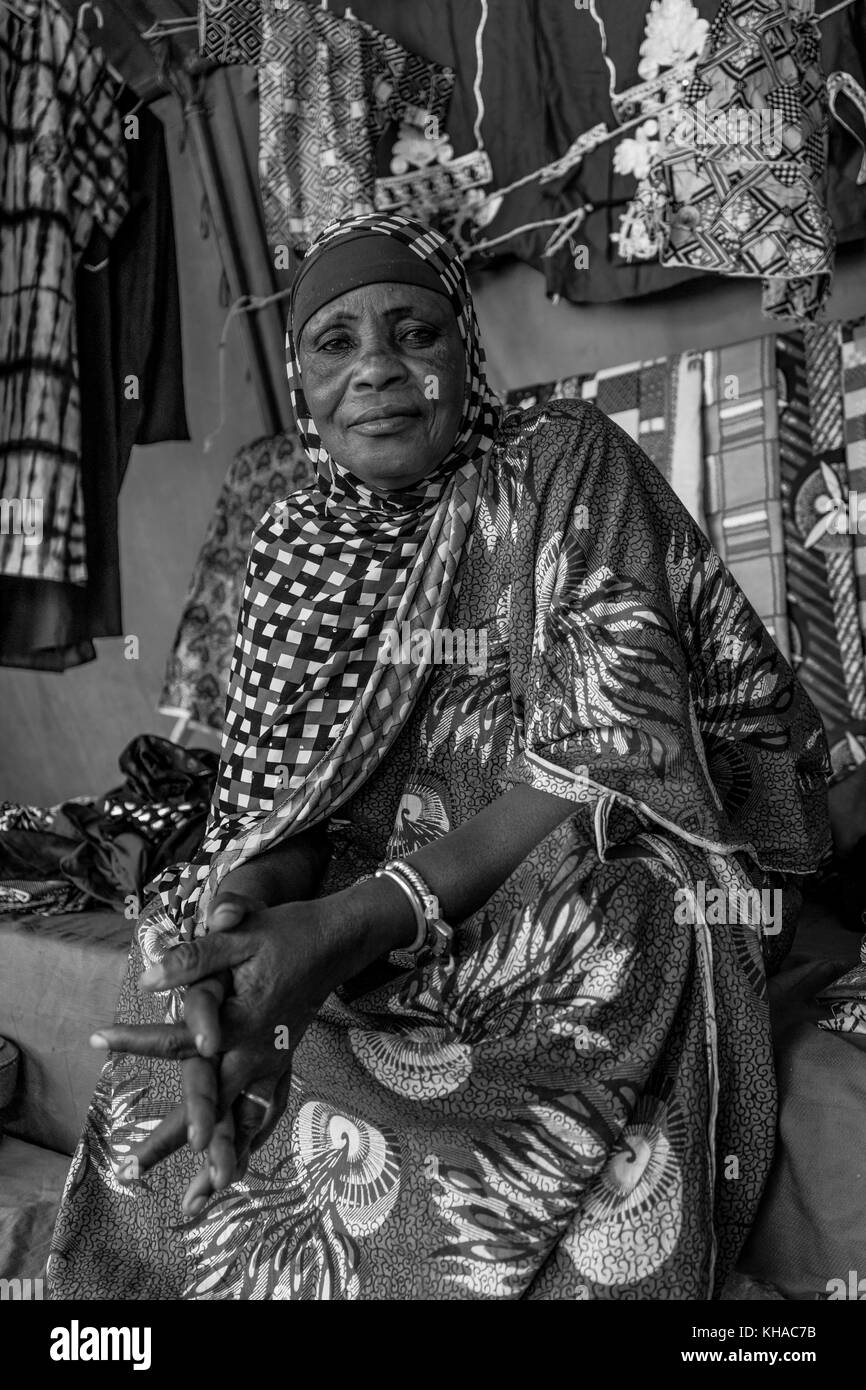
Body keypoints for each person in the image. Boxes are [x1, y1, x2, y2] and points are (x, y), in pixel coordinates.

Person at [48, 213, 830, 1301]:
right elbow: (281, 811)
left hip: (561, 841)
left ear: (466, 351)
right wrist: (252, 933)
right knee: (187, 956)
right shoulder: (289, 544)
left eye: (412, 330)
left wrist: (346, 925)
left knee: (621, 911)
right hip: (382, 883)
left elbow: (603, 758)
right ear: (301, 377)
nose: (376, 368)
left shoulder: (558, 461)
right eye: (335, 343)